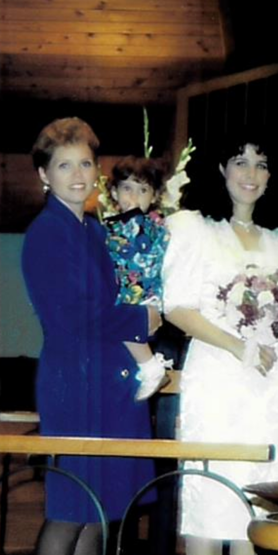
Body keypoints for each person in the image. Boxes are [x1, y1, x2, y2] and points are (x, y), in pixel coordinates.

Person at [160, 126, 278, 555]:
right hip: (218, 375)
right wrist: (237, 344)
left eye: (262, 164)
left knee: (255, 500)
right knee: (210, 497)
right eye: (241, 162)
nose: (251, 174)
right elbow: (178, 308)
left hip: (269, 384)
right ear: (222, 170)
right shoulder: (197, 229)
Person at [21, 117, 159, 555]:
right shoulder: (47, 233)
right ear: (43, 175)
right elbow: (74, 315)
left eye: (85, 163)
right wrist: (142, 318)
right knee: (68, 511)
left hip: (106, 380)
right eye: (64, 165)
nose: (78, 174)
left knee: (97, 516)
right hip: (74, 385)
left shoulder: (93, 229)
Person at [103, 156, 173, 400]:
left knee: (124, 320)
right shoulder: (114, 225)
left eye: (142, 190)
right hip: (129, 290)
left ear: (153, 196)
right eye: (127, 188)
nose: (133, 197)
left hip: (142, 291)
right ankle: (147, 365)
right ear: (114, 192)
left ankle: (150, 366)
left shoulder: (148, 225)